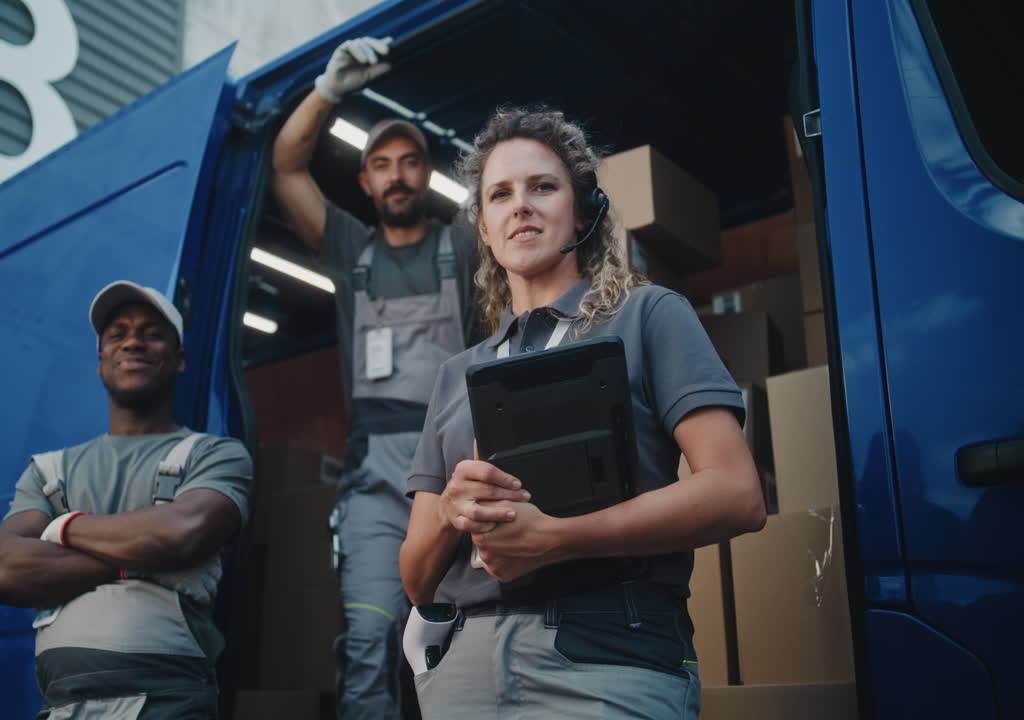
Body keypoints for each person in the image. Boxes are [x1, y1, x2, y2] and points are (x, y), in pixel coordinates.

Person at [398, 106, 767, 719]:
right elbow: (415, 580)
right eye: (500, 194)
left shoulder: (649, 315)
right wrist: (448, 509)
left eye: (543, 186)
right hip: (464, 667)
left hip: (606, 654)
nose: (521, 205)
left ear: (583, 210)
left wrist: (555, 539)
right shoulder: (454, 374)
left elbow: (736, 494)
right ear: (484, 229)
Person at [270, 36, 480, 720]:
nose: (396, 176)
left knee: (464, 642)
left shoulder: (463, 246)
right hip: (374, 488)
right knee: (367, 640)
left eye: (410, 163)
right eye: (381, 165)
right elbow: (286, 165)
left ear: (426, 175)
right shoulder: (347, 253)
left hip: (459, 472)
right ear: (365, 183)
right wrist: (328, 92)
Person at [0, 281, 253, 719]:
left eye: (151, 332)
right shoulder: (49, 469)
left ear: (180, 358)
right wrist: (145, 559)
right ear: (100, 362)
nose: (132, 341)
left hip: (169, 706)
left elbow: (182, 534)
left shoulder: (214, 454)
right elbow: (3, 571)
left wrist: (61, 529)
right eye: (117, 334)